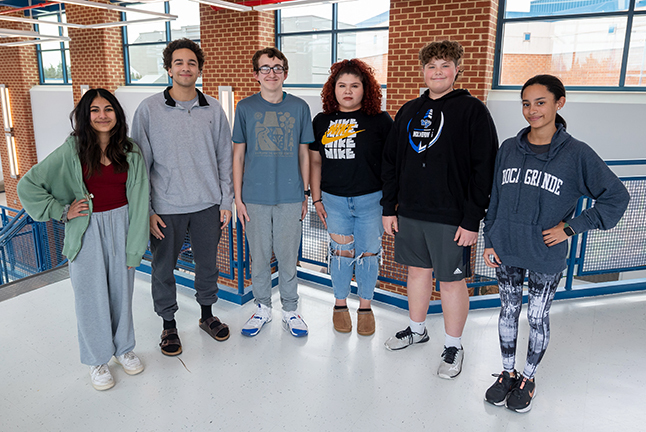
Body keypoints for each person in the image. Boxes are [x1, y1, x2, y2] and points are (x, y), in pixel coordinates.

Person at [482, 74, 630, 412]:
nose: (532, 110)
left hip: (545, 253)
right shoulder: (508, 148)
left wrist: (573, 227)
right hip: (505, 248)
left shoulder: (577, 154)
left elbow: (615, 197)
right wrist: (491, 237)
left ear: (558, 103)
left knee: (536, 316)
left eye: (540, 102)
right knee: (507, 311)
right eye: (526, 103)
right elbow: (496, 199)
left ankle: (528, 379)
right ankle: (507, 372)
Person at [17, 89, 149, 391]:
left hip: (122, 225)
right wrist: (61, 211)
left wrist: (135, 246)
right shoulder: (71, 150)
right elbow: (28, 185)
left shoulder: (131, 150)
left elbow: (141, 200)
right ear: (85, 116)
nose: (102, 115)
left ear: (117, 113)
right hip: (86, 230)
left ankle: (123, 348)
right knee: (91, 298)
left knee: (121, 293)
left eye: (108, 109)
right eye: (94, 110)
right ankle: (97, 359)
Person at [381, 40, 498, 379]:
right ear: (423, 71)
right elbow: (391, 162)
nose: (437, 72)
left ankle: (454, 345)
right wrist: (390, 208)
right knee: (416, 273)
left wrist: (472, 218)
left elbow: (484, 168)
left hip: (452, 217)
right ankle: (417, 329)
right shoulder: (408, 110)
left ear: (457, 70)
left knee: (450, 282)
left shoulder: (473, 111)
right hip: (411, 212)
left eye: (445, 65)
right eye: (431, 66)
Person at [131, 38, 234, 356]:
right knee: (163, 270)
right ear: (168, 68)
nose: (185, 67)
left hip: (207, 205)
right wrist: (147, 209)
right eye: (179, 62)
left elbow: (224, 159)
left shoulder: (214, 109)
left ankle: (206, 316)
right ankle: (168, 325)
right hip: (165, 207)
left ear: (199, 69)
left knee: (207, 266)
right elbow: (139, 165)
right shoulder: (148, 109)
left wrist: (226, 201)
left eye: (191, 62)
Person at [233, 47, 314, 338]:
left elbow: (305, 153)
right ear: (256, 74)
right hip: (254, 197)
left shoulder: (299, 107)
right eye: (265, 68)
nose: (272, 73)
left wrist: (304, 192)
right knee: (259, 255)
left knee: (287, 256)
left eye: (277, 67)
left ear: (286, 73)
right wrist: (237, 198)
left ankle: (291, 310)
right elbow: (238, 156)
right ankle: (263, 307)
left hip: (291, 196)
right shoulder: (244, 108)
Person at [310, 59, 393, 335]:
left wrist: (391, 203)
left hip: (372, 200)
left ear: (365, 89)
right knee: (341, 254)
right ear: (332, 89)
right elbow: (316, 163)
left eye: (354, 85)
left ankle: (366, 307)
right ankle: (340, 304)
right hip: (333, 200)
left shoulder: (380, 121)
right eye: (342, 85)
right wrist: (317, 199)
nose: (348, 91)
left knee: (369, 255)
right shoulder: (321, 121)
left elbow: (392, 165)